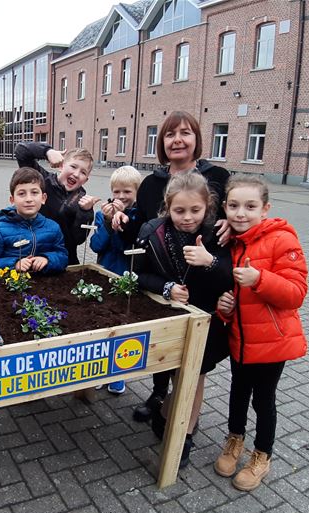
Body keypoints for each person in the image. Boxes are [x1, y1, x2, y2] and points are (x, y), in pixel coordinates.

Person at [111, 111, 231, 423]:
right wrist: (124, 219)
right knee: (162, 344)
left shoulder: (217, 176)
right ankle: (159, 394)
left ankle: (182, 421)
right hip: (163, 278)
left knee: (194, 362)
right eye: (169, 134)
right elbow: (145, 228)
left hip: (204, 280)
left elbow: (241, 210)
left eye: (185, 133)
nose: (177, 139)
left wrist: (231, 221)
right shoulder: (152, 183)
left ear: (196, 140)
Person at [215, 175, 308, 491]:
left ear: (265, 209)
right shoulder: (231, 242)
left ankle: (262, 455)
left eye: (250, 206)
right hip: (240, 338)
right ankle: (234, 441)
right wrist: (223, 307)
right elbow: (228, 290)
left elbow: (296, 293)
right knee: (238, 392)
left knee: (263, 400)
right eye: (234, 206)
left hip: (272, 342)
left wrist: (259, 279)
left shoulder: (282, 240)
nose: (241, 213)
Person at [134, 172, 233, 467]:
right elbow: (137, 273)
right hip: (169, 317)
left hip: (208, 320)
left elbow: (232, 274)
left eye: (195, 210)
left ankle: (185, 435)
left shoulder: (218, 234)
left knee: (194, 375)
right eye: (179, 211)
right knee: (177, 375)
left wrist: (211, 261)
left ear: (208, 207)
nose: (187, 218)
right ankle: (166, 412)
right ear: (167, 206)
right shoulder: (153, 231)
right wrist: (166, 288)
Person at [89, 166, 143, 395]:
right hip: (104, 273)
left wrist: (122, 226)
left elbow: (127, 246)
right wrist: (107, 223)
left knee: (123, 326)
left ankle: (118, 372)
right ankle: (98, 370)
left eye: (127, 192)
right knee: (100, 322)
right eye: (117, 192)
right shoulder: (103, 214)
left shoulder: (139, 216)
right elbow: (95, 246)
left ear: (137, 193)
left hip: (126, 277)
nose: (121, 197)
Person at [14, 142, 99, 265]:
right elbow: (21, 151)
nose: (76, 174)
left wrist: (86, 212)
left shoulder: (82, 201)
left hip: (63, 260)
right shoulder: (41, 179)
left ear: (86, 180)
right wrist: (47, 151)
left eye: (83, 172)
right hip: (32, 256)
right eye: (73, 167)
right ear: (61, 166)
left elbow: (77, 239)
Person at [0, 167, 68, 275]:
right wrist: (14, 264)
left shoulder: (53, 227)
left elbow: (63, 257)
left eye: (34, 192)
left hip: (45, 287)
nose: (29, 199)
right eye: (21, 194)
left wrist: (47, 259)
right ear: (12, 200)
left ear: (43, 198)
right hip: (9, 287)